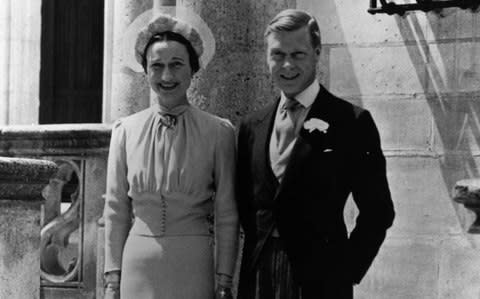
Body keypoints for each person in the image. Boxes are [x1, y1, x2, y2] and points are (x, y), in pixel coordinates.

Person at [236, 9, 395, 299]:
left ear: (317, 53)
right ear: (266, 56)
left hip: (321, 278)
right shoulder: (251, 126)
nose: (286, 65)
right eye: (277, 54)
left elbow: (378, 211)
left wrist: (346, 269)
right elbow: (246, 205)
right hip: (260, 274)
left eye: (298, 54)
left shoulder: (351, 122)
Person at [103, 13, 239, 299]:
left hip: (193, 264)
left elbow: (226, 212)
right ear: (146, 71)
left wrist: (224, 280)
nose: (167, 76)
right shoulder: (125, 131)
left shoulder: (218, 131)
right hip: (137, 266)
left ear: (192, 69)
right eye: (157, 66)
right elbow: (116, 210)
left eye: (176, 65)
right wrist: (112, 280)